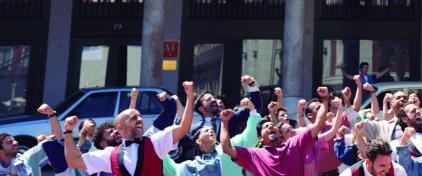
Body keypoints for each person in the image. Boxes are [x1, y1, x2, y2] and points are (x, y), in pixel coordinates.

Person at [63, 82, 196, 176]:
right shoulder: (109, 154)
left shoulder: (156, 142)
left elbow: (184, 127)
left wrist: (190, 97)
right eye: (134, 118)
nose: (140, 120)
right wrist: (68, 131)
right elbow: (73, 161)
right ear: (120, 127)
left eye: (140, 117)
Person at [219, 96, 329, 176]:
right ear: (260, 139)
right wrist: (224, 122)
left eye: (272, 125)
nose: (270, 127)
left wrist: (325, 99)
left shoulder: (295, 144)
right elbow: (226, 148)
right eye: (265, 127)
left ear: (280, 134)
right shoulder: (254, 154)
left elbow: (318, 124)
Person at [339, 140, 406, 176]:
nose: (387, 170)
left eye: (389, 164)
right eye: (382, 165)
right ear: (368, 162)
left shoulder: (397, 171)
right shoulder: (350, 174)